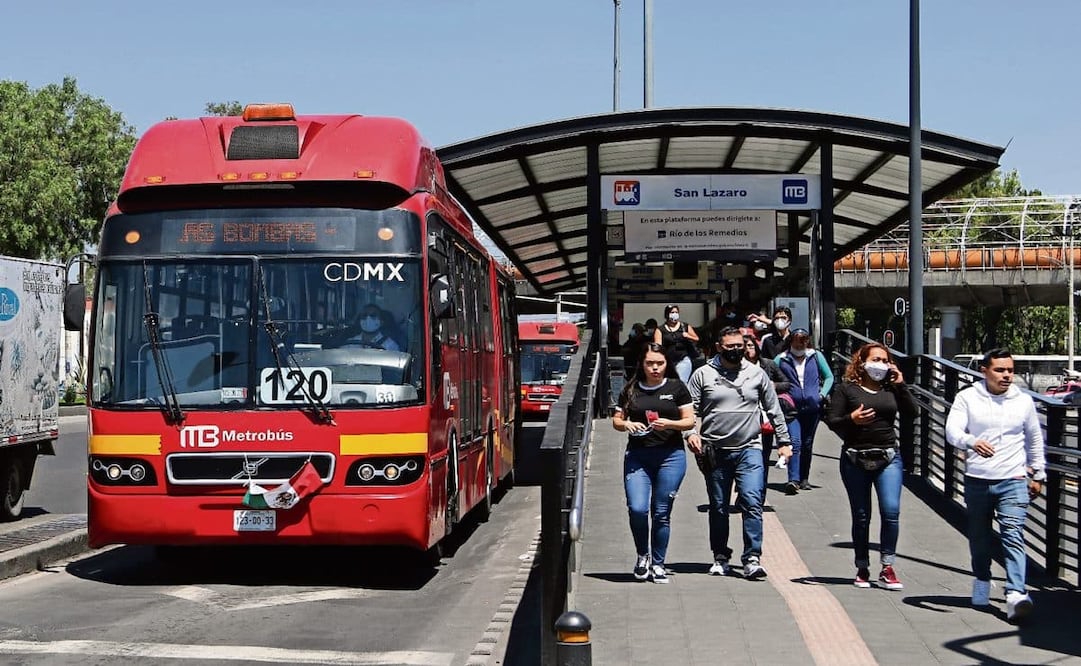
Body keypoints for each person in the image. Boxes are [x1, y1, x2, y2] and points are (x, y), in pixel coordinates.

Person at [945, 348, 1046, 623]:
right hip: (978, 479)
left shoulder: (1023, 401)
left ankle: (1015, 594)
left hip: (1012, 479)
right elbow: (952, 430)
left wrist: (1038, 474)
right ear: (984, 371)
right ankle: (981, 578)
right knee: (979, 537)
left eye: (1010, 370)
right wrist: (971, 441)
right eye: (1000, 370)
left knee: (1012, 533)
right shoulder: (967, 397)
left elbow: (1035, 439)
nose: (1006, 376)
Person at [686, 326, 793, 579]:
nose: (736, 350)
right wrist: (690, 433)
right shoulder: (703, 374)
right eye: (730, 346)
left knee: (752, 501)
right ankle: (720, 556)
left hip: (750, 448)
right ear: (718, 347)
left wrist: (784, 441)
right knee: (719, 506)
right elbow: (689, 409)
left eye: (739, 346)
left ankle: (752, 557)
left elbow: (774, 408)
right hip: (715, 450)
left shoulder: (756, 374)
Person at [825, 342, 916, 590]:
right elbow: (832, 420)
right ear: (862, 363)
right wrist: (851, 420)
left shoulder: (892, 389)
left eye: (885, 361)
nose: (881, 365)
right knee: (862, 515)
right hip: (855, 457)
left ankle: (887, 566)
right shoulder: (846, 390)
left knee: (891, 511)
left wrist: (901, 384)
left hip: (888, 457)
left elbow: (912, 412)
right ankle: (862, 566)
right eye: (875, 360)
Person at [611, 342, 695, 584]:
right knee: (637, 508)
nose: (655, 368)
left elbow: (689, 421)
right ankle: (642, 556)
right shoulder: (631, 389)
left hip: (671, 456)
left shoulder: (677, 388)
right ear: (642, 364)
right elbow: (617, 420)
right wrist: (627, 424)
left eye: (660, 363)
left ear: (666, 364)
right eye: (650, 363)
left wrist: (669, 423)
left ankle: (658, 563)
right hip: (638, 456)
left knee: (661, 512)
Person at [775, 328, 834, 495]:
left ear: (808, 341)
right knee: (795, 441)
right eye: (796, 339)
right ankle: (793, 479)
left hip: (813, 408)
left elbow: (829, 376)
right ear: (791, 341)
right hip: (791, 408)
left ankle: (804, 478)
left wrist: (822, 394)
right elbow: (770, 375)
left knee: (807, 443)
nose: (800, 343)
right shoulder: (782, 359)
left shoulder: (815, 356)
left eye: (803, 340)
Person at [743, 334, 791, 509]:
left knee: (762, 461)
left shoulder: (768, 365)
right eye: (745, 346)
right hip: (743, 422)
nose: (748, 349)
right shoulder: (736, 368)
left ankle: (758, 498)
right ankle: (746, 494)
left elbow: (786, 383)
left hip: (764, 421)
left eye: (750, 345)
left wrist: (774, 385)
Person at [654, 305, 699, 384]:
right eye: (672, 312)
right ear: (667, 314)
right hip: (668, 362)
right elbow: (658, 347)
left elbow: (696, 338)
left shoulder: (684, 326)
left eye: (676, 312)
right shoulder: (660, 329)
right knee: (668, 383)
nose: (674, 314)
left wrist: (687, 335)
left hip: (683, 360)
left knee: (681, 382)